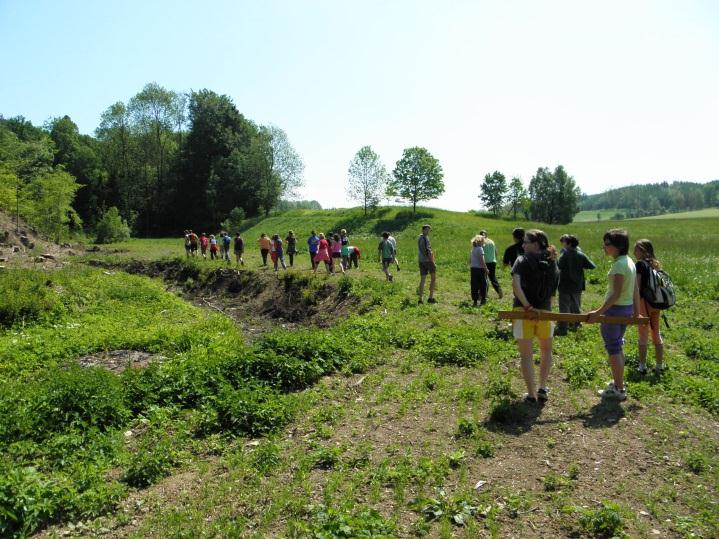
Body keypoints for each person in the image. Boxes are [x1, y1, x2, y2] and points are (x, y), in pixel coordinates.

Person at [588, 229, 641, 401]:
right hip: (626, 310)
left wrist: (598, 313)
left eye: (607, 244)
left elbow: (616, 294)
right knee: (617, 347)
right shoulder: (629, 262)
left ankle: (619, 388)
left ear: (618, 246)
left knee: (614, 349)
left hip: (615, 310)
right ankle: (619, 383)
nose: (604, 247)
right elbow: (634, 289)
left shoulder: (620, 265)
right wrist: (637, 313)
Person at [511, 229, 559, 403]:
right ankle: (542, 388)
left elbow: (516, 284)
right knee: (546, 350)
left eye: (526, 242)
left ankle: (531, 394)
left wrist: (528, 306)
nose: (522, 245)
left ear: (536, 244)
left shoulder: (521, 260)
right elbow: (554, 290)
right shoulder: (553, 261)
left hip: (524, 312)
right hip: (545, 312)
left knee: (526, 354)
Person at [634, 239, 665, 374]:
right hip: (656, 303)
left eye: (636, 249)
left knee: (642, 335)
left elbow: (637, 287)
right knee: (656, 333)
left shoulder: (640, 265)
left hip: (643, 303)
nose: (634, 252)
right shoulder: (656, 264)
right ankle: (659, 365)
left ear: (642, 250)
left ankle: (642, 366)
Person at [556, 234, 596, 335]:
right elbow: (592, 266)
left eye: (565, 242)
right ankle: (577, 325)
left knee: (564, 307)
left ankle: (563, 327)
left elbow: (558, 266)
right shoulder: (581, 255)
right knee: (576, 306)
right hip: (577, 285)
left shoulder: (564, 255)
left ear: (569, 244)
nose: (563, 244)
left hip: (565, 285)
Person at [479, 230, 502, 298]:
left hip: (485, 262)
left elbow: (480, 253)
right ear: (487, 235)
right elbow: (496, 252)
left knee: (484, 278)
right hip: (493, 261)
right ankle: (498, 289)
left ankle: (484, 293)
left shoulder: (481, 242)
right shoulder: (492, 241)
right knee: (492, 277)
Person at [418, 224, 437, 304]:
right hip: (428, 261)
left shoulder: (419, 237)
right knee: (433, 278)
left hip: (421, 260)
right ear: (423, 230)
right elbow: (428, 251)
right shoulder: (425, 238)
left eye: (429, 230)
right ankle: (430, 298)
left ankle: (420, 299)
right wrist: (432, 261)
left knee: (423, 279)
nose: (428, 231)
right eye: (427, 229)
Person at [469, 235, 488, 306]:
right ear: (480, 242)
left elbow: (470, 260)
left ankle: (475, 301)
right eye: (483, 241)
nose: (484, 242)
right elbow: (482, 260)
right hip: (479, 269)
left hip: (473, 269)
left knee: (474, 285)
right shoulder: (480, 249)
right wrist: (486, 269)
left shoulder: (473, 249)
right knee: (483, 284)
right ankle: (483, 299)